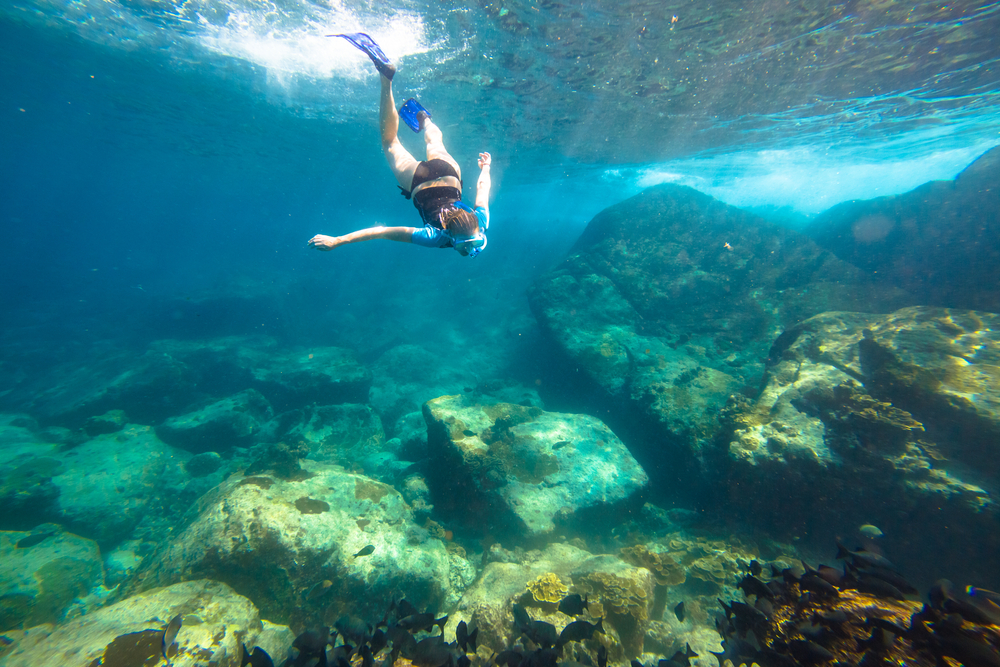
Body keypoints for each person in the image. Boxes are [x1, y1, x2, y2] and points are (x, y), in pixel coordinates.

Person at [309, 33, 492, 258]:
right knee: (389, 142)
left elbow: (483, 188)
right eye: (469, 246)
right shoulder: (434, 237)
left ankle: (425, 120)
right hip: (418, 182)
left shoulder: (481, 220)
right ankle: (386, 80)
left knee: (435, 141)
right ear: (453, 239)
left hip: (449, 174)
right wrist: (338, 241)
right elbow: (383, 232)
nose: (471, 250)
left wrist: (486, 168)